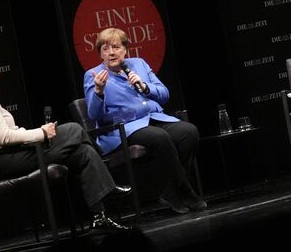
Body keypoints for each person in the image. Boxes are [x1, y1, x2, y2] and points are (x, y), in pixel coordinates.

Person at [0, 52, 131, 230]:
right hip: (5, 160)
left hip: (7, 157)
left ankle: (99, 215)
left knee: (83, 152)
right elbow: (4, 137)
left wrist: (37, 133)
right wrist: (41, 133)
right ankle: (107, 175)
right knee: (74, 129)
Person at [83, 27, 206, 214]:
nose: (111, 53)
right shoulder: (94, 75)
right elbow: (93, 114)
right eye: (105, 49)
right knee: (160, 137)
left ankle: (171, 191)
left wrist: (145, 86)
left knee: (188, 132)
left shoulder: (138, 64)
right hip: (124, 129)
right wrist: (99, 91)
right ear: (100, 53)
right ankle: (186, 191)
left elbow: (164, 94)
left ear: (125, 49)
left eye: (115, 47)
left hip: (153, 118)